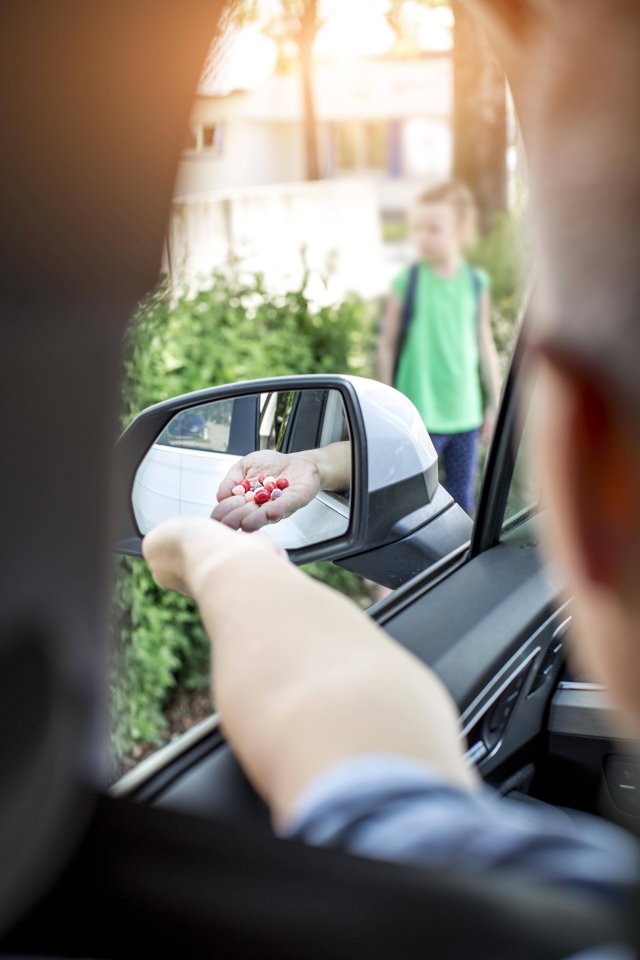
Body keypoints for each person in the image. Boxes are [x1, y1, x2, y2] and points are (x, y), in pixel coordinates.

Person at [141, 4, 640, 955]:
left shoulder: (522, 911)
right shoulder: (415, 284)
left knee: (435, 494)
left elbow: (336, 712)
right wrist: (334, 457)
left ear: (579, 470)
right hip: (410, 421)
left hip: (451, 426)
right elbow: (391, 349)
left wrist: (220, 558)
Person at [378, 182, 502, 516]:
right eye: (417, 228)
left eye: (433, 229)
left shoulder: (475, 283)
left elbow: (484, 340)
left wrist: (495, 403)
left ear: (459, 231)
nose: (423, 237)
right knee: (415, 502)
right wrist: (388, 405)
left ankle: (462, 563)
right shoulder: (407, 282)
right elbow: (387, 345)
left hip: (465, 417)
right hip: (420, 417)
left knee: (462, 498)